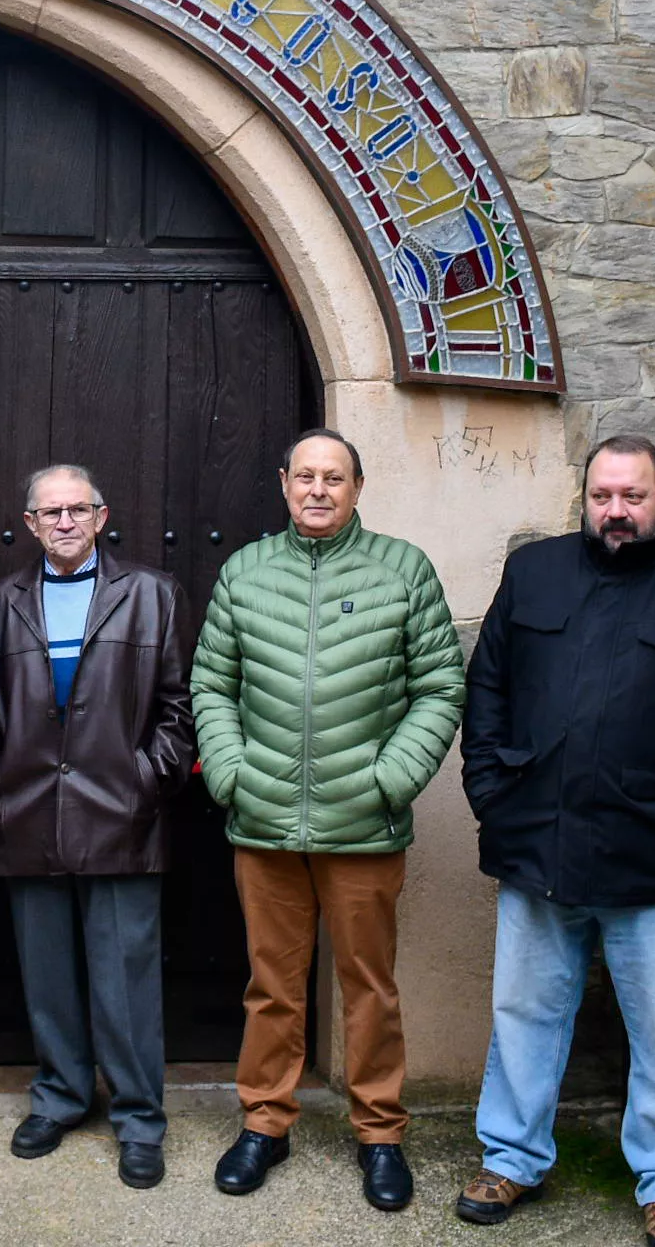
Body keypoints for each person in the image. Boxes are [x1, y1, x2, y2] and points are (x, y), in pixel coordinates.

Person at [456, 435, 655, 1247]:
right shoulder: (535, 574)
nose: (617, 511)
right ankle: (512, 1158)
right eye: (603, 496)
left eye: (633, 496)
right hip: (539, 844)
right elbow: (486, 687)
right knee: (525, 1014)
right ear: (585, 499)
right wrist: (491, 794)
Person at [192, 427, 465, 1213]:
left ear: (357, 488)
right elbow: (211, 683)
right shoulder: (246, 571)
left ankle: (380, 1134)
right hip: (264, 822)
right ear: (284, 484)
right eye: (305, 476)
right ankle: (264, 1123)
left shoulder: (402, 570)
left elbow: (441, 686)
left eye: (334, 478)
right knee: (272, 987)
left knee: (369, 987)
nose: (318, 490)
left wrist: (392, 779)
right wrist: (235, 776)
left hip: (363, 826)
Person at [0, 463, 193, 1191]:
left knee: (126, 978)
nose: (64, 521)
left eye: (77, 509)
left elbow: (179, 711)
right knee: (48, 976)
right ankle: (60, 1098)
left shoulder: (152, 596)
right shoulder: (1, 603)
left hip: (121, 816)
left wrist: (144, 779)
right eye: (49, 512)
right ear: (29, 525)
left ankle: (137, 1119)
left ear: (101, 516)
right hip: (27, 812)